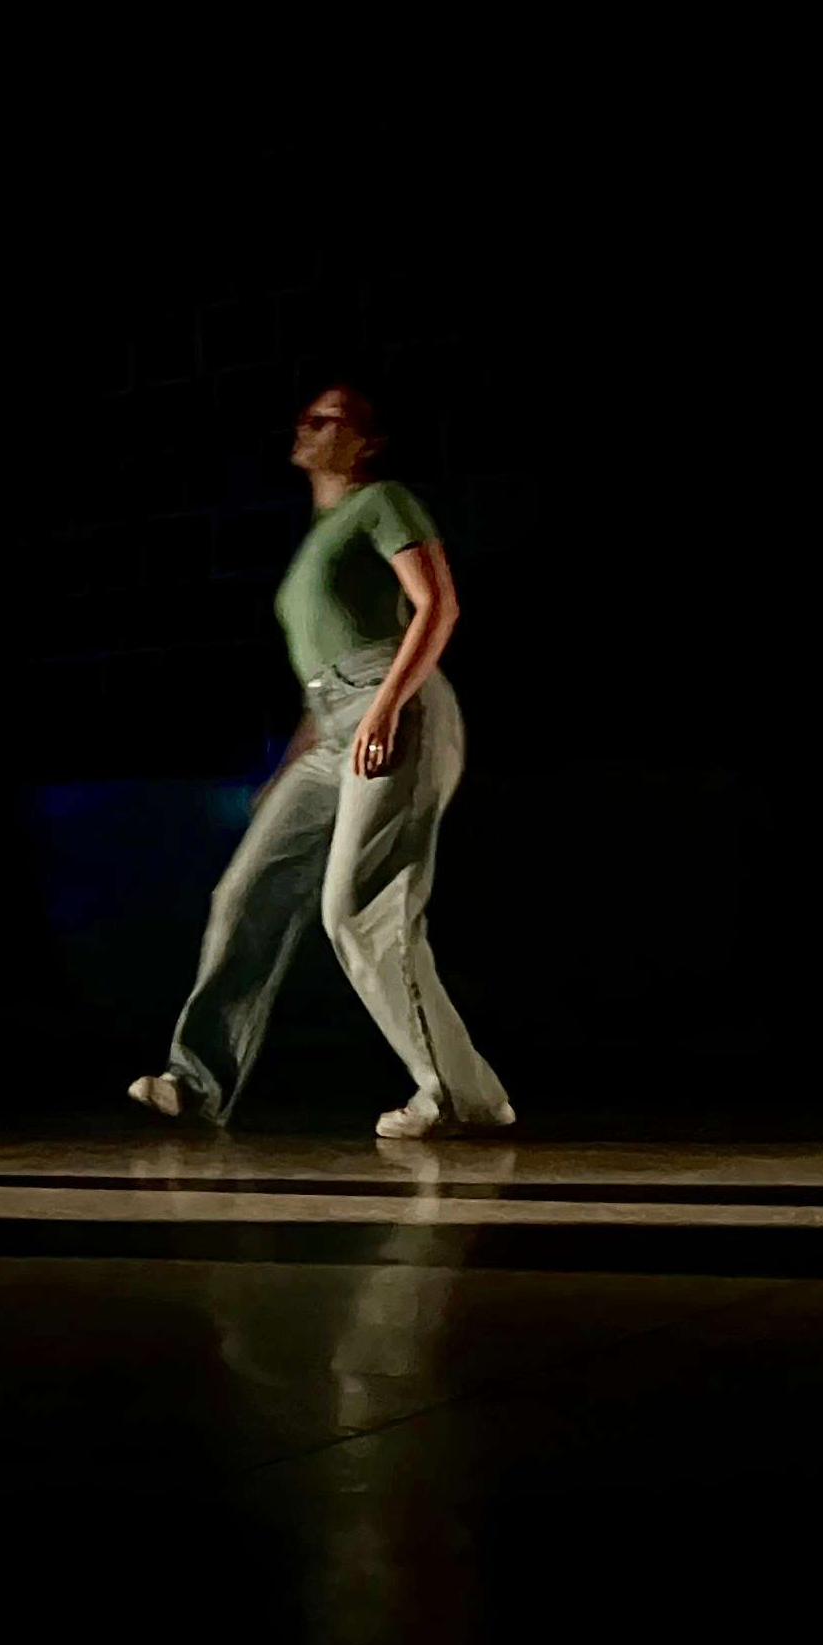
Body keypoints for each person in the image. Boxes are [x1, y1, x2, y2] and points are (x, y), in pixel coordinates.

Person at [125, 384, 513, 1139]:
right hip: (332, 725)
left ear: (365, 442)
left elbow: (438, 605)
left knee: (358, 911)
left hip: (396, 705)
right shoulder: (319, 536)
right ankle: (196, 1083)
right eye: (304, 417)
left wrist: (386, 707)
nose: (305, 426)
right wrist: (288, 770)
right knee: (245, 894)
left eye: (325, 419)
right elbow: (321, 679)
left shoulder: (383, 501)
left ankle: (460, 1097)